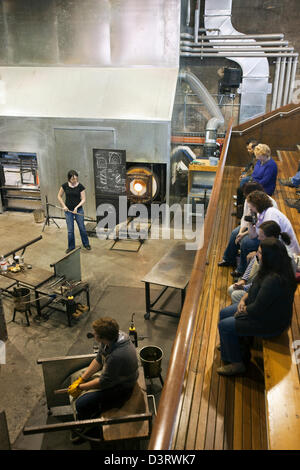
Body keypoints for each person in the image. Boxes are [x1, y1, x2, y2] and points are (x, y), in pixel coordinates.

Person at [217, 238, 297, 376]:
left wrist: (242, 311)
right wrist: (242, 299)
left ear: (268, 256)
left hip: (269, 322)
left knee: (224, 326)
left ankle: (237, 364)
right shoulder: (271, 267)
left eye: (259, 253)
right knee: (224, 313)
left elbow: (257, 310)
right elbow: (254, 286)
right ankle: (230, 349)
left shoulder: (274, 280)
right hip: (256, 308)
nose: (256, 255)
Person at [68, 317, 139, 421]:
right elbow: (99, 360)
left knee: (81, 404)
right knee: (75, 376)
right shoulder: (112, 339)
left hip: (122, 386)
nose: (93, 334)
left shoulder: (117, 356)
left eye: (95, 333)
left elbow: (104, 382)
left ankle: (88, 423)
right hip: (111, 374)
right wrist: (82, 379)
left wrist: (81, 387)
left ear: (102, 337)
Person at [228, 220, 292, 304]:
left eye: (261, 235)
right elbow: (254, 261)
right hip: (255, 284)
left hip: (261, 292)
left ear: (270, 237)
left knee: (235, 294)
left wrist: (244, 288)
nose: (258, 238)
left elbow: (260, 282)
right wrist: (244, 279)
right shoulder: (266, 246)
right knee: (231, 289)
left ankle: (241, 309)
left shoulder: (273, 254)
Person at [218, 182, 277, 269]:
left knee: (246, 243)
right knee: (235, 233)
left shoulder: (269, 206)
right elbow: (245, 218)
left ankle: (242, 269)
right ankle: (228, 259)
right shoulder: (249, 200)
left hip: (264, 233)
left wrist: (244, 234)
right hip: (253, 227)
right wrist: (241, 231)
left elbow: (260, 230)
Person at [57, 170, 91, 253]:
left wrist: (76, 207)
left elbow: (83, 199)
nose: (74, 180)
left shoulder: (80, 186)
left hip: (78, 209)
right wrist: (64, 206)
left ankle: (86, 244)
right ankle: (71, 246)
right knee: (70, 230)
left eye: (76, 178)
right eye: (73, 179)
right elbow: (59, 196)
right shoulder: (65, 186)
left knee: (82, 228)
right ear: (69, 179)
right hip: (68, 210)